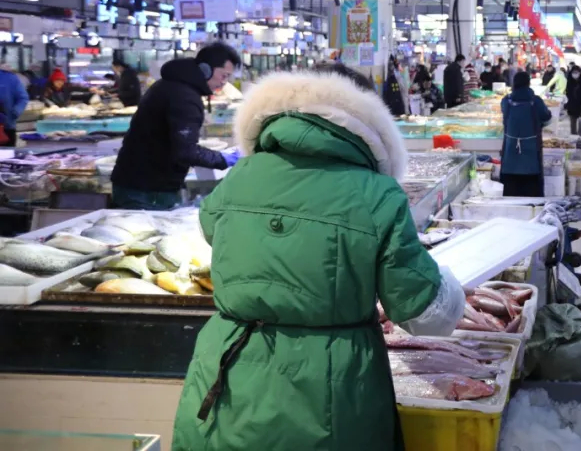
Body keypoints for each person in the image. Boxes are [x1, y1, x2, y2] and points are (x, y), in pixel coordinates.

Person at [172, 65, 466, 451]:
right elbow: (426, 314)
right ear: (367, 117)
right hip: (329, 388)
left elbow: (217, 233)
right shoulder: (378, 195)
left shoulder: (239, 177)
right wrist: (452, 288)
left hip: (226, 372)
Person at [111, 43, 242, 210]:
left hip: (138, 185)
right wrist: (223, 159)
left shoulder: (171, 85)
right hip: (146, 191)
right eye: (224, 76)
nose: (224, 83)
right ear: (205, 69)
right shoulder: (184, 97)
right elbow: (185, 151)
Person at [500, 71, 552, 196]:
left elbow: (505, 116)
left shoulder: (506, 101)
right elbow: (547, 117)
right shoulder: (536, 101)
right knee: (532, 193)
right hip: (531, 152)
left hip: (510, 152)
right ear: (528, 83)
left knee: (510, 193)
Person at [0, 64, 28, 147]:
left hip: (6, 127)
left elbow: (23, 97)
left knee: (7, 156)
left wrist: (16, 111)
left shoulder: (10, 78)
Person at [565, 64, 581, 136]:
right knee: (573, 121)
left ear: (580, 72)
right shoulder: (569, 80)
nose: (575, 74)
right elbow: (568, 92)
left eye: (577, 72)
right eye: (573, 72)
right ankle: (573, 135)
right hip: (572, 104)